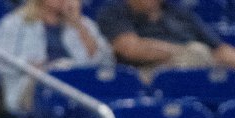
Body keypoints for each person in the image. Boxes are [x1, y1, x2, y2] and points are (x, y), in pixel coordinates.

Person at [0, 0, 112, 115]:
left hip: (76, 85)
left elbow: (106, 63)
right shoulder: (15, 22)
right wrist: (31, 65)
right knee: (49, 80)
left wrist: (78, 25)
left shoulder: (82, 23)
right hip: (31, 86)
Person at [96, 0, 235, 74]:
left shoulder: (179, 13)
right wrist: (184, 51)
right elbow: (130, 49)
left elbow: (220, 49)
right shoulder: (115, 12)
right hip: (147, 73)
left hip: (198, 66)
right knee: (198, 50)